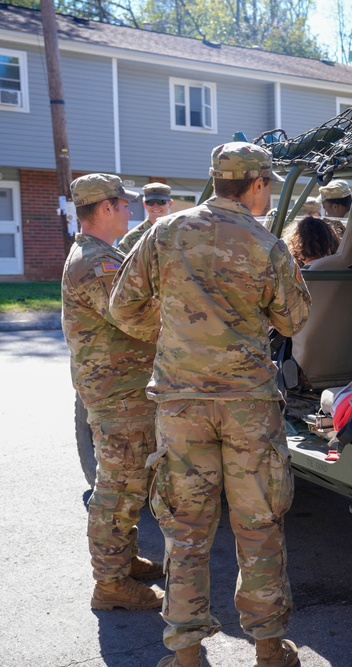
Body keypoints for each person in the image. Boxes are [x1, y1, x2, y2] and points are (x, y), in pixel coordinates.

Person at [110, 143, 311, 667]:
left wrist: (173, 338)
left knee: (185, 531)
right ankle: (269, 648)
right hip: (248, 406)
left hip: (181, 405)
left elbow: (122, 305)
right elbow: (293, 320)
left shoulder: (164, 232)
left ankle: (185, 654)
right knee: (259, 525)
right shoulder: (267, 244)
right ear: (259, 183)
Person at [61, 174, 165, 612]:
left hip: (124, 390)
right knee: (118, 489)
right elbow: (136, 320)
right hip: (117, 394)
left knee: (130, 481)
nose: (129, 210)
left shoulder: (104, 255)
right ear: (105, 208)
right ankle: (110, 584)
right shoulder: (95, 262)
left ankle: (122, 561)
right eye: (124, 205)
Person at [118, 182, 173, 254]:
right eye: (150, 202)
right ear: (144, 204)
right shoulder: (132, 238)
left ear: (170, 203)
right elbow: (121, 263)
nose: (155, 206)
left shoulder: (180, 232)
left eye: (161, 202)